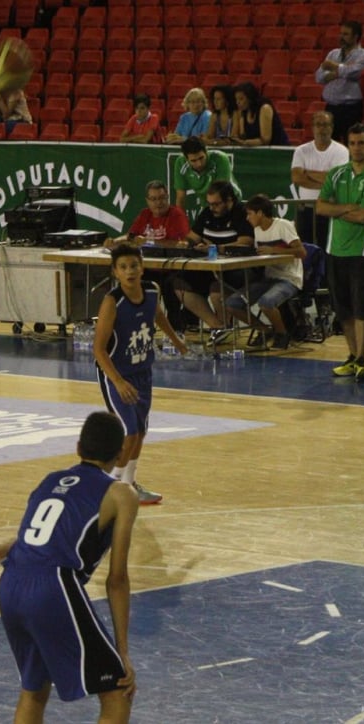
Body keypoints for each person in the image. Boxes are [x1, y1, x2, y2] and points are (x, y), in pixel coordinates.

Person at [0, 411, 139, 724]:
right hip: (52, 586)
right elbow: (117, 580)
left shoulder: (49, 480)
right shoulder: (122, 494)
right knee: (118, 691)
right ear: (121, 454)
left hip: (9, 583)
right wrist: (122, 652)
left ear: (78, 447)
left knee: (33, 690)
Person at [93, 244, 189, 506]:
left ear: (142, 267)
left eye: (134, 265)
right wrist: (118, 382)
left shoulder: (151, 291)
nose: (130, 271)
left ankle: (129, 484)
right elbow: (98, 350)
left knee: (142, 432)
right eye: (123, 267)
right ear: (115, 272)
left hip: (142, 371)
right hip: (116, 373)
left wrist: (176, 340)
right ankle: (108, 488)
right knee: (130, 432)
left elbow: (157, 315)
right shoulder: (112, 302)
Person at [316, 122, 364, 382]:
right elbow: (320, 208)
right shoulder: (336, 174)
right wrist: (347, 207)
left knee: (361, 309)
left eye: (362, 143)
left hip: (362, 253)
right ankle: (352, 355)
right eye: (353, 143)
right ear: (347, 145)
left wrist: (339, 209)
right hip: (335, 251)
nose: (357, 148)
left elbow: (363, 216)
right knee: (343, 309)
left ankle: (362, 359)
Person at [225, 194, 306, 350]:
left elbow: (301, 252)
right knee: (232, 304)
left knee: (266, 302)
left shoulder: (283, 225)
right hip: (268, 277)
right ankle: (265, 331)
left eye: (249, 214)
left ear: (260, 213)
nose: (247, 218)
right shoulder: (257, 231)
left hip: (289, 278)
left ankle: (282, 334)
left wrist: (273, 250)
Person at [178, 180, 255, 339]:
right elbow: (192, 237)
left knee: (216, 290)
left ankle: (225, 326)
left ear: (229, 200)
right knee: (179, 284)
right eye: (210, 204)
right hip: (209, 267)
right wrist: (186, 244)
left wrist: (216, 248)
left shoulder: (242, 214)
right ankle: (217, 325)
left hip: (237, 269)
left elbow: (245, 242)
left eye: (217, 204)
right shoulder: (207, 213)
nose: (212, 208)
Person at [290, 111, 349, 253]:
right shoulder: (301, 151)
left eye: (325, 125)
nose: (322, 129)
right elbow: (297, 178)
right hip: (306, 209)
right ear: (312, 127)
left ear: (332, 127)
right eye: (318, 125)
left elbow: (337, 180)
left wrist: (308, 173)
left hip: (329, 209)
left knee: (327, 249)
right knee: (304, 249)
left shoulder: (341, 151)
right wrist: (326, 182)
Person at [316, 21, 364, 142]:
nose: (341, 37)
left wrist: (334, 68)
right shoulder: (333, 53)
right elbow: (319, 77)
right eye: (340, 33)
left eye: (345, 34)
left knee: (350, 142)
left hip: (351, 109)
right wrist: (341, 70)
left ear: (356, 37)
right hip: (331, 108)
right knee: (329, 144)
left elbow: (353, 72)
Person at [105, 180, 191, 249]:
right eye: (153, 199)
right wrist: (114, 242)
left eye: (161, 198)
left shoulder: (177, 215)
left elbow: (183, 244)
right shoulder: (145, 214)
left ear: (167, 197)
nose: (158, 202)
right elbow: (131, 237)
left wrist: (148, 242)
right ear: (147, 200)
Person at [172, 136, 238, 215]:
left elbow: (220, 194)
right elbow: (180, 199)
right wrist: (181, 222)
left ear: (206, 151)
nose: (199, 164)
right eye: (193, 161)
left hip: (230, 203)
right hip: (208, 205)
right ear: (186, 159)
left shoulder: (220, 159)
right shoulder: (180, 163)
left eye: (201, 158)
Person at [230, 81, 288, 146]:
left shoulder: (264, 108)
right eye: (236, 99)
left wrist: (245, 143)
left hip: (278, 150)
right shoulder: (244, 111)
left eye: (241, 99)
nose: (237, 102)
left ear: (250, 98)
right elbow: (243, 135)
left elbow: (266, 140)